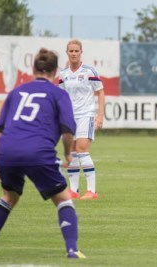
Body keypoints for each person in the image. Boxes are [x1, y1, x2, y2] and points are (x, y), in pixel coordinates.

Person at [0, 48, 85, 259]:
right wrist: (68, 154)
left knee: (9, 196)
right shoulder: (59, 94)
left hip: (6, 151)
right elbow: (68, 131)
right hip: (38, 152)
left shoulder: (16, 92)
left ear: (33, 68)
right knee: (63, 199)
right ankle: (72, 250)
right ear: (55, 72)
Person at [59, 39, 105, 200]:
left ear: (81, 52)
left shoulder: (89, 71)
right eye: (71, 51)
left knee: (82, 149)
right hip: (69, 118)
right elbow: (61, 97)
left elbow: (100, 92)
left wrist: (99, 115)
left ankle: (92, 191)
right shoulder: (63, 74)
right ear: (67, 53)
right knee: (71, 152)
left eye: (76, 51)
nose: (73, 53)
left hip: (86, 114)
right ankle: (73, 190)